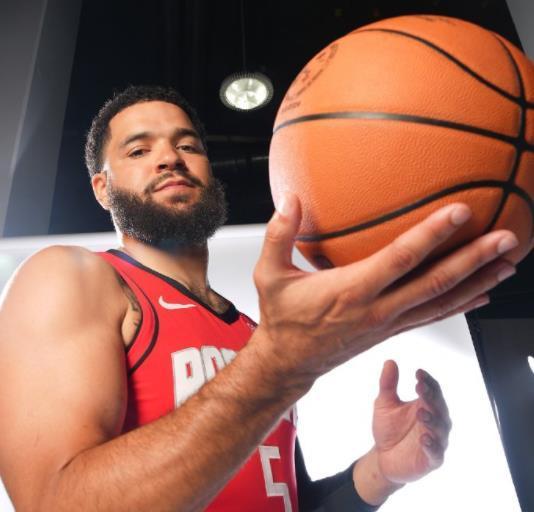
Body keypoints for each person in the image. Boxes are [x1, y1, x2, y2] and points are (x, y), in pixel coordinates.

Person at [0, 85, 518, 512]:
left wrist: (381, 472)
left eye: (188, 146)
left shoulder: (256, 333)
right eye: (139, 151)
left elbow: (285, 499)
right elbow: (53, 503)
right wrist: (279, 365)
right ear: (101, 188)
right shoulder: (71, 277)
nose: (170, 159)